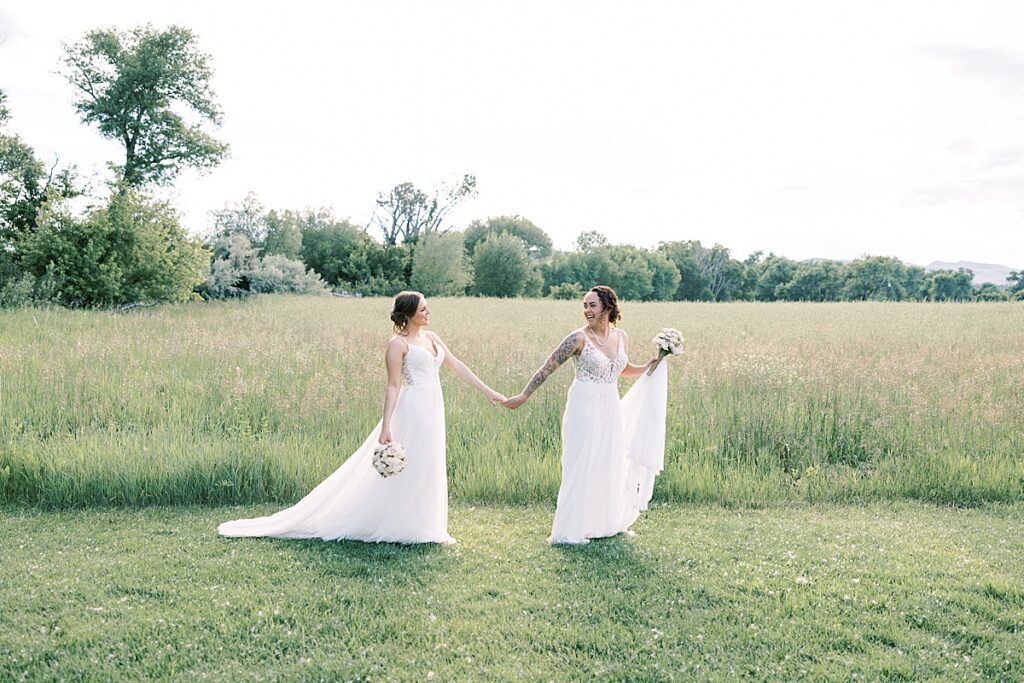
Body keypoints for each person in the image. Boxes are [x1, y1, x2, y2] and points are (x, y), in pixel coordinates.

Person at [218, 291, 505, 544]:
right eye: (423, 309)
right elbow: (393, 386)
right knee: (412, 464)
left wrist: (488, 391)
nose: (429, 312)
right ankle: (402, 524)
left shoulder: (432, 338)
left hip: (434, 407)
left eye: (427, 307)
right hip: (414, 407)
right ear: (408, 315)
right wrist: (386, 425)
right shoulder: (397, 345)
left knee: (430, 462)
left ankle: (425, 524)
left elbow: (456, 365)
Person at [502, 285, 668, 545]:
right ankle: (571, 528)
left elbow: (620, 369)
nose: (587, 310)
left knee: (609, 461)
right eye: (585, 306)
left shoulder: (621, 336)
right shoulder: (578, 338)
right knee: (582, 462)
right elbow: (546, 368)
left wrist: (649, 366)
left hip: (610, 405)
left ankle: (607, 523)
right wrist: (523, 395)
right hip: (584, 404)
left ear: (607, 307)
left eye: (592, 305)